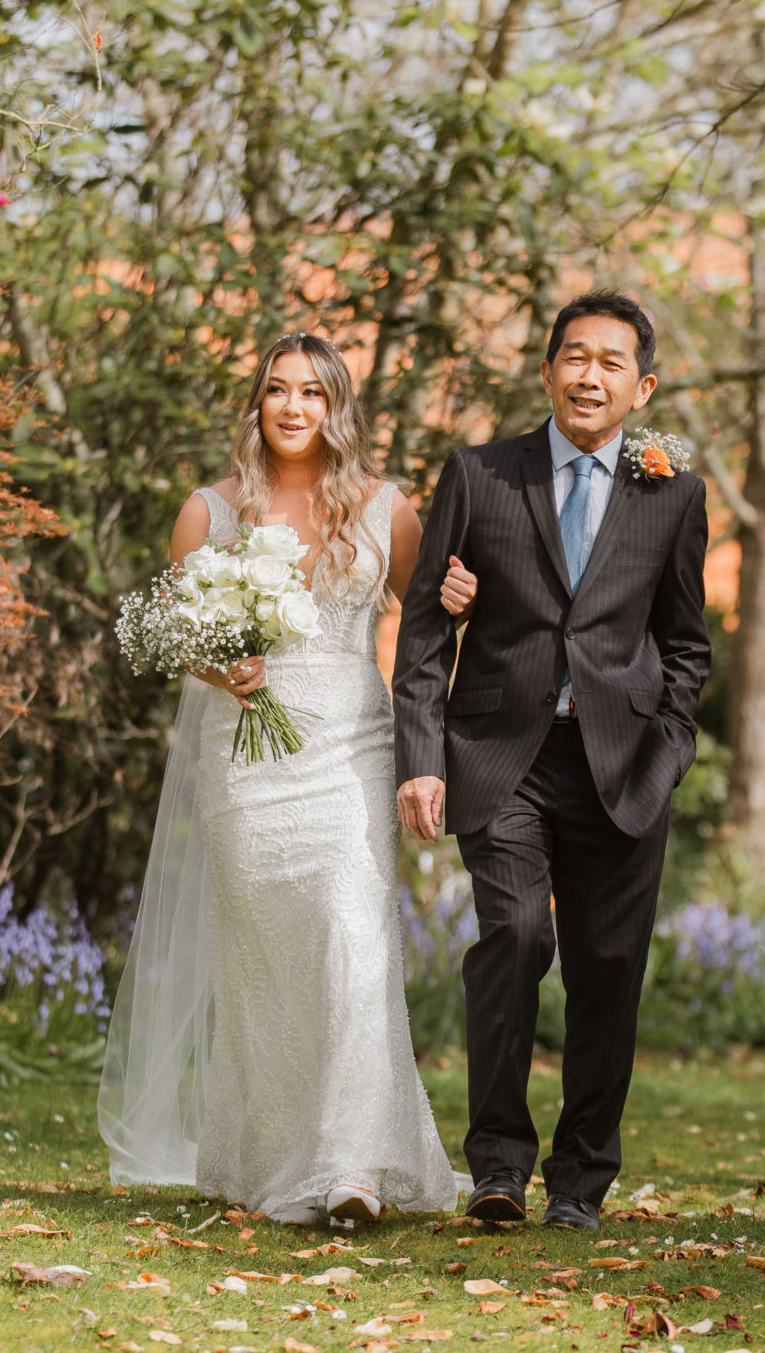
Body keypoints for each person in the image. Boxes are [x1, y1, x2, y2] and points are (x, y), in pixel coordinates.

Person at [99, 333, 478, 1226]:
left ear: (338, 405)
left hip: (351, 748)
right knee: (267, 964)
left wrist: (464, 599)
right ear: (258, 404)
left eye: (313, 391)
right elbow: (179, 636)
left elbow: (427, 627)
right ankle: (270, 1152)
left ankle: (351, 1169)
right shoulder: (211, 512)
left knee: (352, 940)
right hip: (247, 762)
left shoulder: (388, 510)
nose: (295, 406)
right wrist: (218, 665)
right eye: (278, 390)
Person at [392, 290, 710, 1232]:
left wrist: (669, 745)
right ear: (546, 371)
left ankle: (580, 1182)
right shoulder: (481, 474)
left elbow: (687, 642)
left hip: (624, 767)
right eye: (575, 356)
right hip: (502, 755)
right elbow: (420, 629)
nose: (589, 375)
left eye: (612, 362)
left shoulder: (673, 492)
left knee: (609, 970)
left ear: (640, 386)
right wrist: (421, 756)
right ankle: (496, 1162)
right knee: (517, 937)